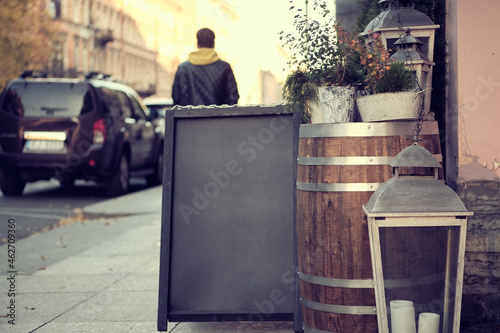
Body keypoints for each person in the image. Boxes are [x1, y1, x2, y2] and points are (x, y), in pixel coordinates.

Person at [172, 28, 239, 106]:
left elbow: (176, 97)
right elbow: (233, 97)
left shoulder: (183, 68)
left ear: (197, 44)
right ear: (213, 44)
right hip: (217, 117)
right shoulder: (225, 67)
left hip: (189, 117)